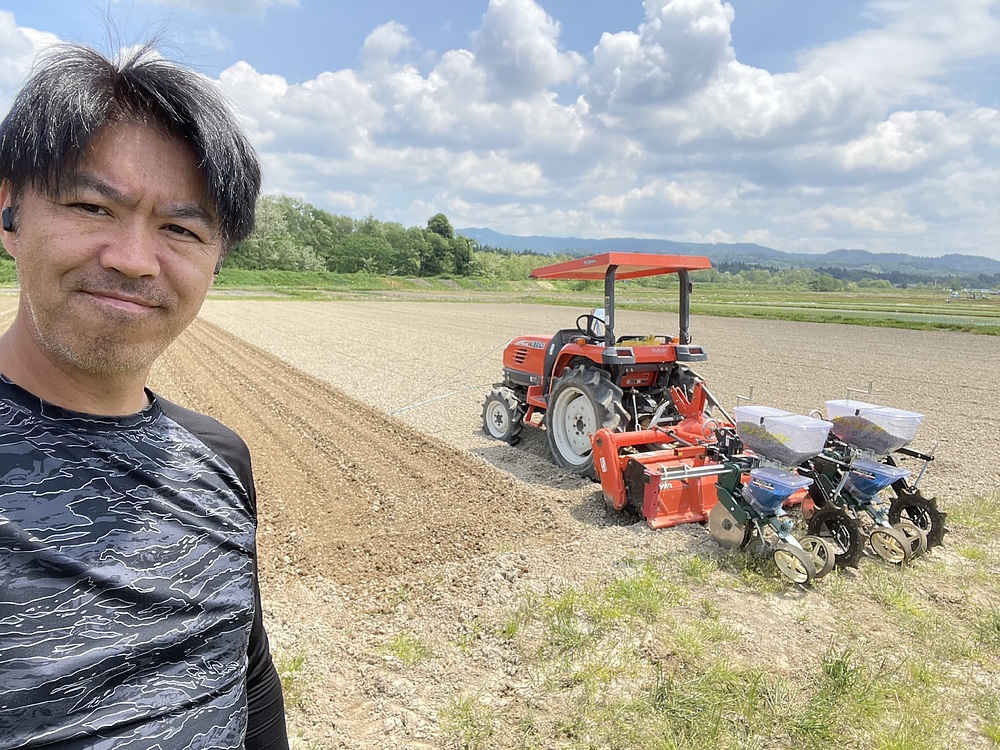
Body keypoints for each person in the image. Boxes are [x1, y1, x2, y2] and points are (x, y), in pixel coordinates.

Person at [0, 43, 288, 749]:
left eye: (181, 230)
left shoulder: (220, 459)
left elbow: (246, 673)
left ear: (214, 262)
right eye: (93, 206)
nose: (132, 258)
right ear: (9, 212)